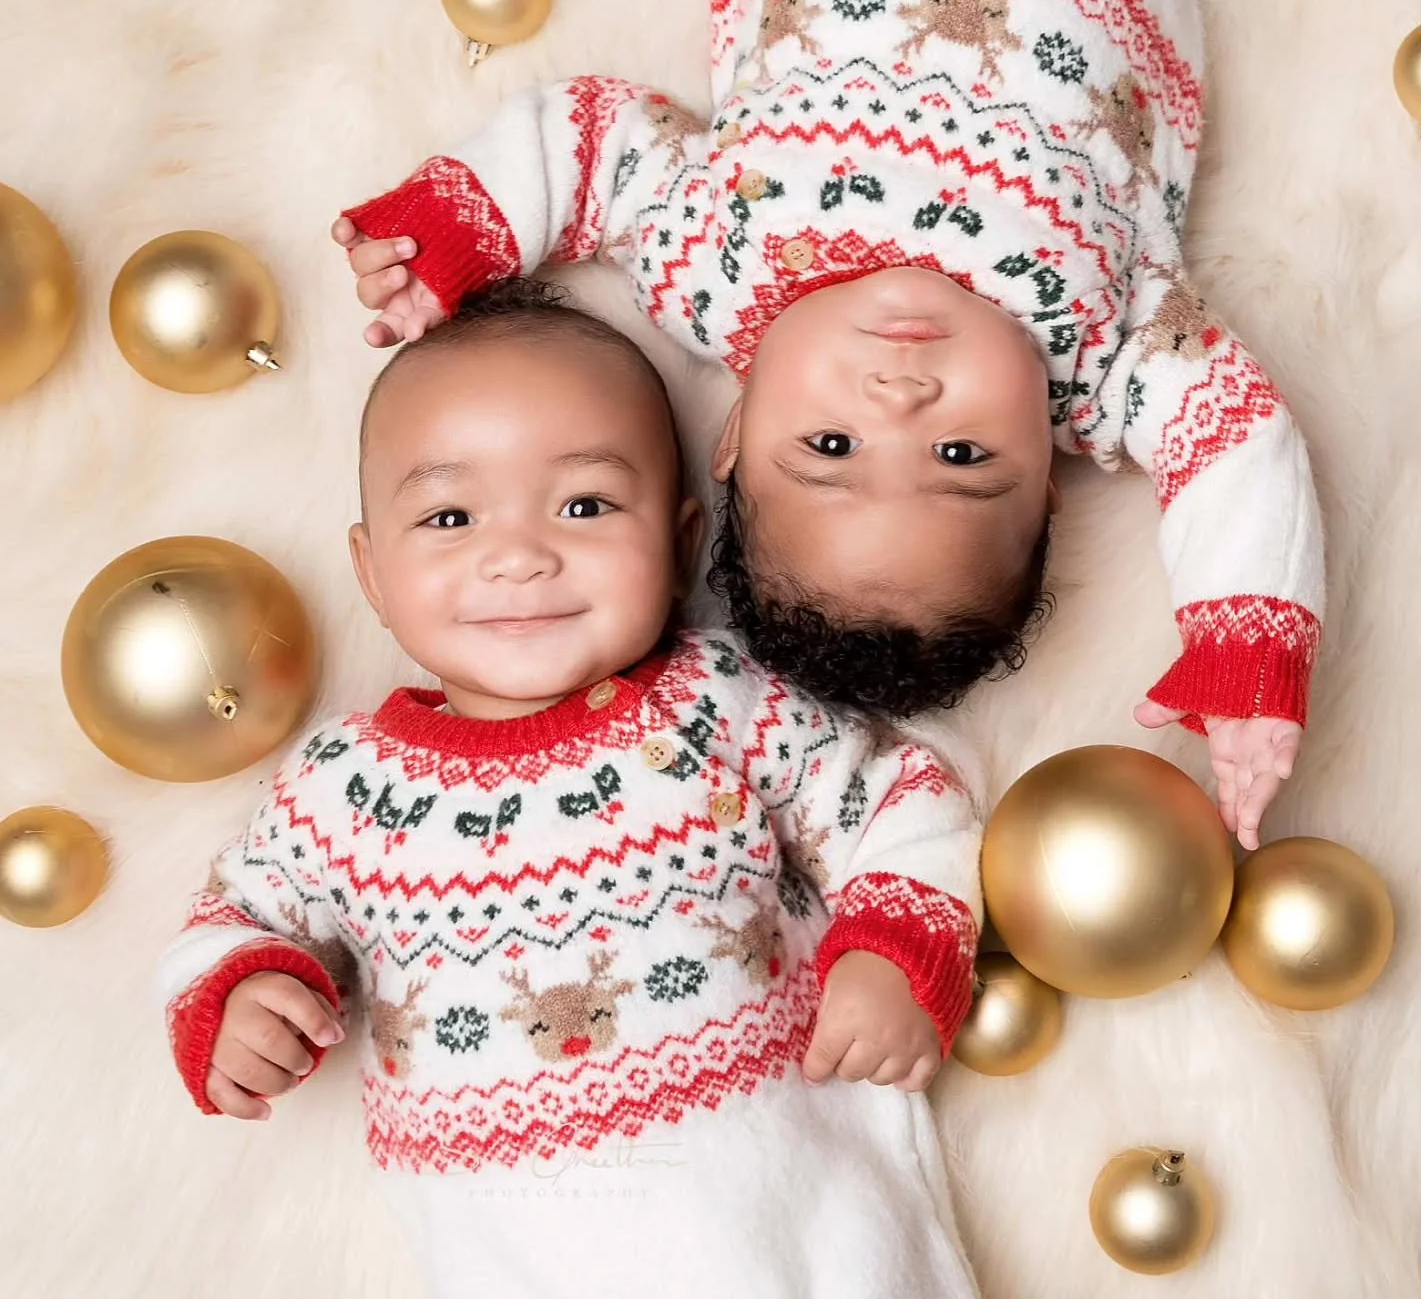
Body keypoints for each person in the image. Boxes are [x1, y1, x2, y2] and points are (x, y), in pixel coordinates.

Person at [334, 0, 1323, 849]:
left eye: (831, 448)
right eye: (963, 458)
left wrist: (459, 229)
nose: (900, 397)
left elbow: (596, 139)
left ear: (735, 432)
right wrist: (1245, 637)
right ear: (1050, 474)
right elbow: (1233, 442)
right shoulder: (1103, 355)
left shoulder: (714, 273)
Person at [159, 282, 983, 1299]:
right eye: (450, 515)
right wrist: (238, 993)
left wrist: (898, 950)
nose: (516, 556)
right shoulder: (343, 790)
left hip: (785, 1228)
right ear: (372, 574)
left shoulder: (714, 703)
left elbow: (901, 794)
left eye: (585, 504)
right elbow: (230, 913)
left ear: (681, 545)